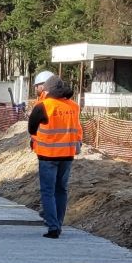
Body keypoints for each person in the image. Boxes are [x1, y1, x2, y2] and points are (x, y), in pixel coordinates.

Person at [28, 71, 81, 238]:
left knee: (48, 191)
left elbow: (31, 128)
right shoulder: (73, 106)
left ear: (48, 89)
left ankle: (53, 227)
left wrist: (37, 140)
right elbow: (77, 128)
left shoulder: (44, 106)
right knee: (61, 190)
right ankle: (58, 222)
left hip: (48, 156)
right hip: (67, 155)